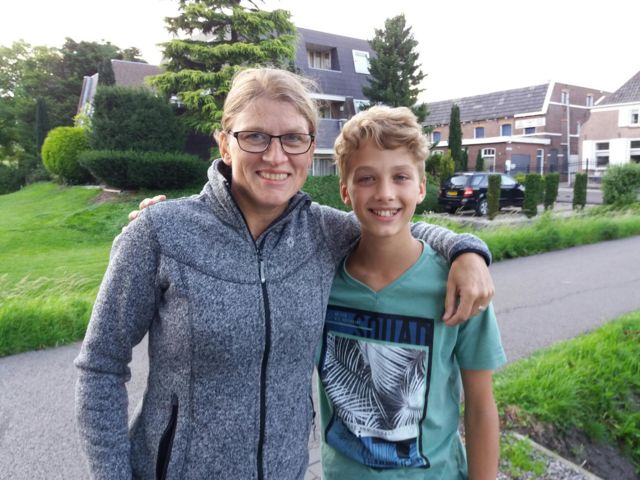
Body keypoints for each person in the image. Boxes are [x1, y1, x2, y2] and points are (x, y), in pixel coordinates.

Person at [75, 68, 495, 480]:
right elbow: (100, 367)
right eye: (255, 136)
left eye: (293, 138)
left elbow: (392, 224)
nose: (275, 156)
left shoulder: (324, 232)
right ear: (225, 145)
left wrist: (467, 250)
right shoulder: (161, 233)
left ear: (310, 150)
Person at [317, 106, 506, 479]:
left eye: (400, 177)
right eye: (366, 178)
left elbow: (481, 406)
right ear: (345, 191)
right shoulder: (321, 281)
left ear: (421, 188)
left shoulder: (460, 284)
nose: (385, 193)